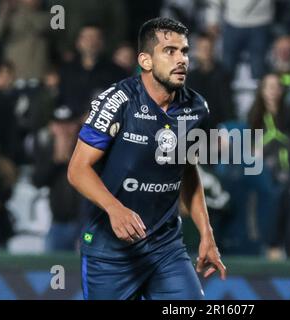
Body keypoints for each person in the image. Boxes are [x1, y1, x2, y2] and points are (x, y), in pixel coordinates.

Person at [67, 17, 226, 300]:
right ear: (146, 60)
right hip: (110, 253)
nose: (181, 60)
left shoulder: (196, 108)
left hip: (166, 249)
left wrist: (207, 233)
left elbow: (188, 172)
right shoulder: (117, 101)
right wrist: (114, 209)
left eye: (185, 51)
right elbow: (78, 169)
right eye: (170, 51)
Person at [33, 105, 83, 252]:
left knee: (88, 269)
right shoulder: (46, 150)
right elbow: (38, 181)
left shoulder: (89, 150)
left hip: (86, 223)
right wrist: (55, 161)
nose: (64, 130)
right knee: (56, 269)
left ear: (76, 126)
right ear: (52, 127)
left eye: (68, 124)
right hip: (58, 222)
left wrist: (70, 159)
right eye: (59, 125)